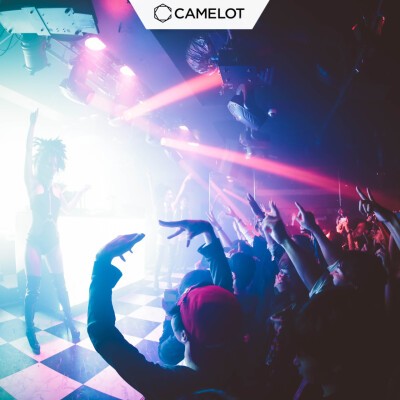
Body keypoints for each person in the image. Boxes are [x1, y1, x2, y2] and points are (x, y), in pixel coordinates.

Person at [88, 233, 247, 400]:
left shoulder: (168, 386)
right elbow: (224, 295)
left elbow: (102, 334)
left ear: (183, 335)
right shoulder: (238, 361)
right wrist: (209, 233)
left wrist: (101, 262)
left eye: (179, 309)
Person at [24, 109, 87, 354]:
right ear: (41, 163)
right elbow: (27, 153)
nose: (51, 167)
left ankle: (70, 323)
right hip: (34, 240)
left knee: (61, 285)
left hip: (53, 241)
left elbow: (68, 209)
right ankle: (30, 330)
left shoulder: (58, 189)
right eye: (47, 163)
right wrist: (32, 126)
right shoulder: (33, 183)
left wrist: (81, 192)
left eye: (54, 164)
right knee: (33, 289)